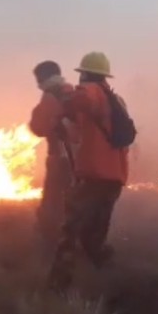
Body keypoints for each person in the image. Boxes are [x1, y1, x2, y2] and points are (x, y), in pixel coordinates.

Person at [47, 52, 131, 292]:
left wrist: (60, 89)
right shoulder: (114, 100)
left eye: (82, 74)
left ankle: (56, 290)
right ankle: (117, 280)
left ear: (86, 74)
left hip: (93, 178)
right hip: (113, 180)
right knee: (93, 239)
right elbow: (82, 118)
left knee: (70, 234)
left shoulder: (92, 91)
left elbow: (79, 101)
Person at [28, 60, 77, 251]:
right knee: (72, 204)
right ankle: (74, 243)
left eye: (37, 79)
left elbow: (38, 127)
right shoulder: (72, 93)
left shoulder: (49, 97)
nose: (36, 83)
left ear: (43, 78)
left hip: (59, 159)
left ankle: (48, 247)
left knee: (51, 206)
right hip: (79, 160)